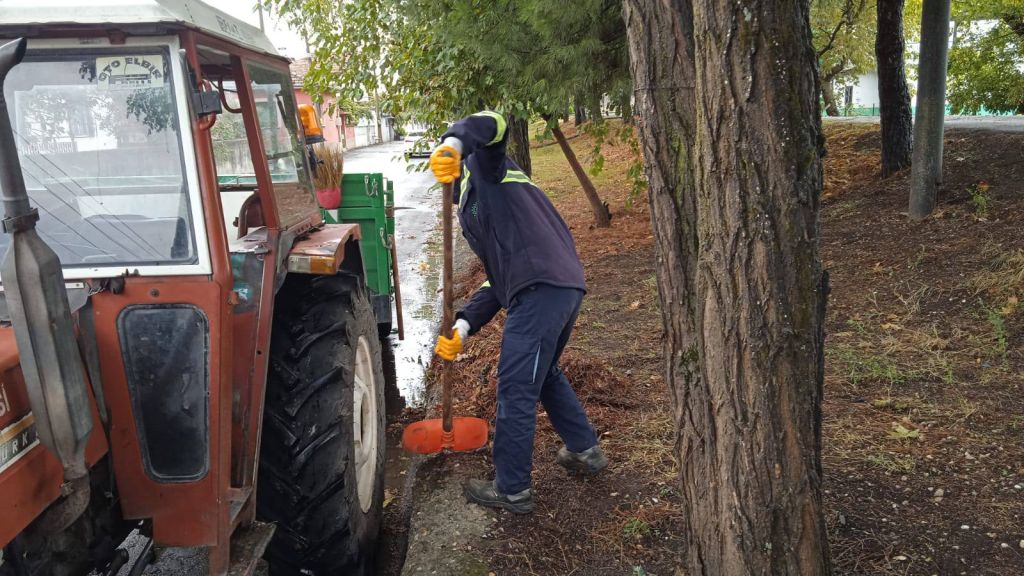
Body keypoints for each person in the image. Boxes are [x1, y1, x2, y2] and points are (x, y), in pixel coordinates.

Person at [429, 111, 607, 514]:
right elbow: (498, 281)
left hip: (541, 288)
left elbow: (493, 123)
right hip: (559, 285)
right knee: (543, 374)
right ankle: (585, 450)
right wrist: (463, 324)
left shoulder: (485, 168)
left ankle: (512, 489)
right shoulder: (486, 206)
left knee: (515, 385)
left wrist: (455, 141)